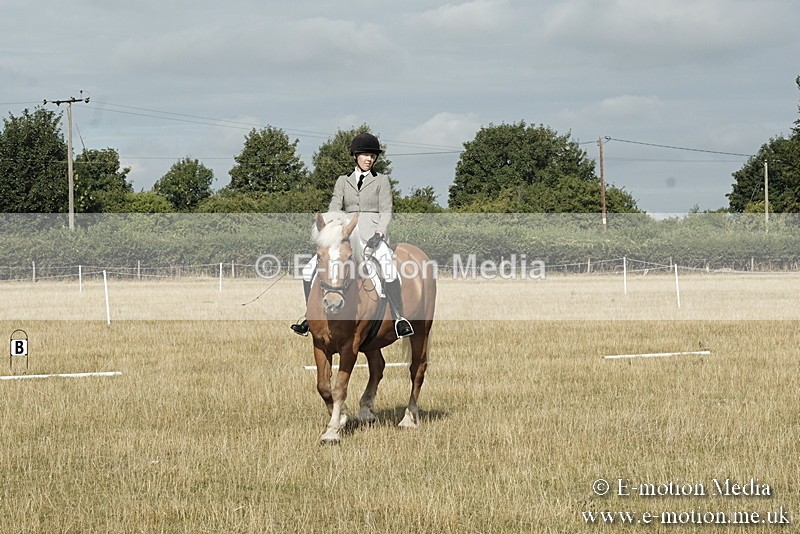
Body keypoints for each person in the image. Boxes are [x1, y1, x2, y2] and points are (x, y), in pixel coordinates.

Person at [290, 132, 414, 338]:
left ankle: (400, 318)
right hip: (345, 234)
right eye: (365, 155)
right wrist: (328, 232)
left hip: (371, 235)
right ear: (355, 156)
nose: (369, 159)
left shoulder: (381, 181)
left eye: (373, 156)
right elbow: (334, 207)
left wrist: (380, 232)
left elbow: (386, 210)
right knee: (309, 268)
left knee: (389, 269)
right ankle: (309, 315)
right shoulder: (343, 180)